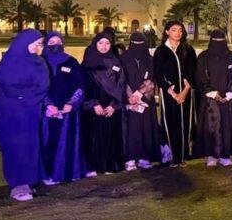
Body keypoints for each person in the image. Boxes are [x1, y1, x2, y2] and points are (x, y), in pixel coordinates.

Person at [0, 30, 49, 201]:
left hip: (31, 111)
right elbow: (2, 85)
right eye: (36, 44)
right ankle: (18, 185)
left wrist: (26, 97)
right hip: (11, 113)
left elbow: (43, 85)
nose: (38, 47)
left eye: (40, 44)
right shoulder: (9, 61)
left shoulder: (39, 62)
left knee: (31, 145)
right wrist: (20, 96)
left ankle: (30, 180)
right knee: (15, 146)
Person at [41, 32, 86, 184]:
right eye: (51, 42)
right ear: (46, 44)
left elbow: (81, 85)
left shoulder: (71, 61)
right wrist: (48, 104)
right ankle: (47, 174)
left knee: (67, 141)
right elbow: (36, 87)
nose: (55, 45)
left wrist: (71, 103)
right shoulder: (40, 62)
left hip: (68, 110)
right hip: (46, 111)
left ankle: (68, 172)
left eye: (58, 41)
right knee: (48, 141)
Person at [81, 30, 126, 175]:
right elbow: (84, 85)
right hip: (94, 106)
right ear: (95, 44)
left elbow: (121, 84)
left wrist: (114, 105)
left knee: (111, 136)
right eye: (101, 43)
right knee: (94, 136)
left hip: (111, 105)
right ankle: (94, 166)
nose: (104, 46)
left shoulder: (115, 61)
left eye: (107, 43)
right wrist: (93, 103)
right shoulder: (88, 62)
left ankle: (110, 165)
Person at [153, 20, 197, 165]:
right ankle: (171, 156)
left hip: (186, 93)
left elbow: (193, 72)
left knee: (185, 123)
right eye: (174, 30)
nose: (178, 33)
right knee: (170, 123)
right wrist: (173, 93)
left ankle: (184, 156)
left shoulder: (188, 50)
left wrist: (184, 92)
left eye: (180, 30)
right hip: (168, 94)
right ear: (167, 32)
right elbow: (158, 74)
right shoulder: (161, 51)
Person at [195, 29, 232, 167]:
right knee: (210, 126)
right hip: (210, 99)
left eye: (221, 41)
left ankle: (225, 154)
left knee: (226, 125)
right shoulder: (203, 57)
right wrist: (211, 92)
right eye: (216, 41)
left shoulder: (231, 56)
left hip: (227, 99)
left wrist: (229, 92)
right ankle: (211, 155)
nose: (219, 44)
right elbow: (200, 76)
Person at [120, 32, 161, 171]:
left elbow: (153, 78)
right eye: (135, 44)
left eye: (141, 44)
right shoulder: (123, 58)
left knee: (146, 128)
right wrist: (131, 97)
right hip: (129, 100)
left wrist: (140, 93)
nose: (138, 47)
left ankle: (144, 157)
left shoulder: (150, 59)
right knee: (131, 129)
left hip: (146, 99)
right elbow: (121, 79)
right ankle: (130, 158)